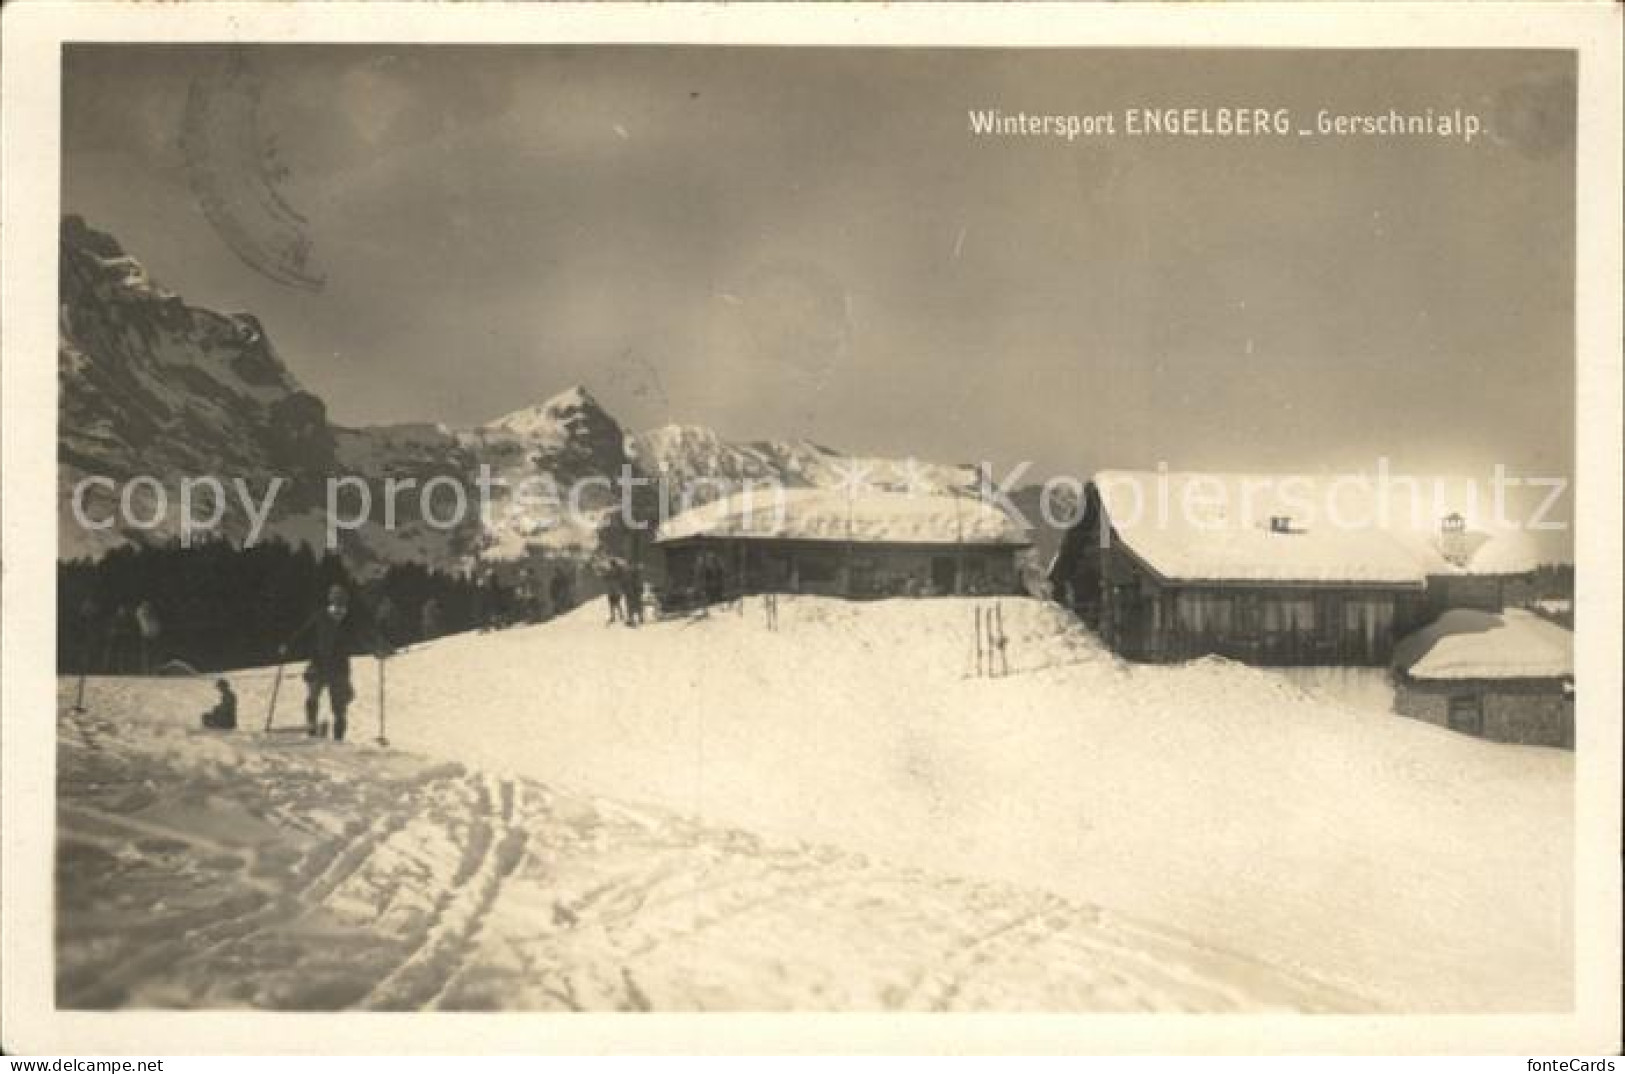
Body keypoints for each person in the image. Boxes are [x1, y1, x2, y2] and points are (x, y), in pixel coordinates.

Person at [280, 583, 390, 743]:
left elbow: (362, 638)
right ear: (331, 602)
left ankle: (338, 740)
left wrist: (376, 650)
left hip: (339, 668)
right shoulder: (320, 616)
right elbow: (303, 633)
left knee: (339, 706)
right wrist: (288, 645)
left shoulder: (349, 620)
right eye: (336, 603)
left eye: (342, 604)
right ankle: (312, 726)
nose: (339, 608)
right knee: (313, 696)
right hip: (319, 663)